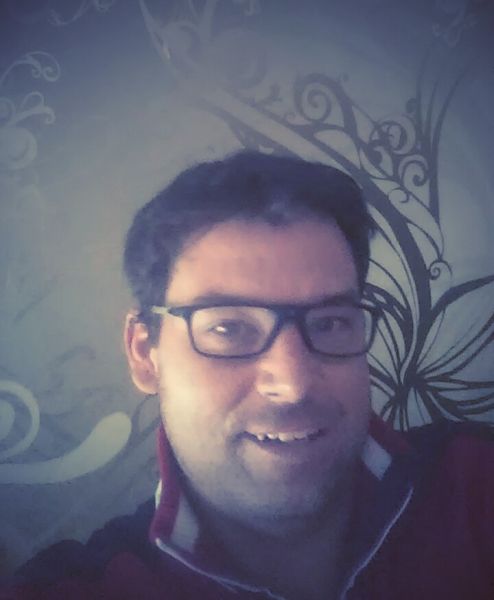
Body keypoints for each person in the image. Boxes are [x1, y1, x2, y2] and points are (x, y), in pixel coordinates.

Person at [3, 151, 493, 599]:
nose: (293, 384)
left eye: (329, 323)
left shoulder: (477, 484)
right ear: (145, 353)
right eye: (228, 328)